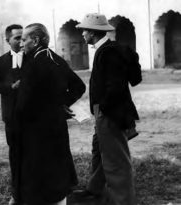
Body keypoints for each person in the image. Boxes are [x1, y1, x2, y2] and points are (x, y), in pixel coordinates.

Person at [15, 23, 86, 205]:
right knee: (58, 172)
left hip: (36, 131)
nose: (21, 44)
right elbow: (79, 86)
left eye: (24, 39)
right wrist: (61, 104)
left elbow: (23, 105)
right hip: (57, 127)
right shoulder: (57, 59)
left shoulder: (33, 64)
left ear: (36, 40)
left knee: (38, 177)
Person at [75, 13, 139, 205]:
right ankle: (95, 191)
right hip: (105, 111)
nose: (82, 34)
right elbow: (133, 79)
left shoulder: (108, 51)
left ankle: (123, 201)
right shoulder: (107, 49)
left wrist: (102, 109)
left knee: (116, 160)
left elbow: (116, 86)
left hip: (109, 113)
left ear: (93, 32)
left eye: (84, 30)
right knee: (100, 151)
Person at [0, 24, 24, 205]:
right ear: (8, 41)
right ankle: (17, 194)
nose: (21, 41)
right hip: (12, 117)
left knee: (33, 154)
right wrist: (11, 87)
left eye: (23, 37)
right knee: (16, 155)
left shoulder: (32, 58)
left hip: (32, 117)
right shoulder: (0, 61)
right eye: (17, 38)